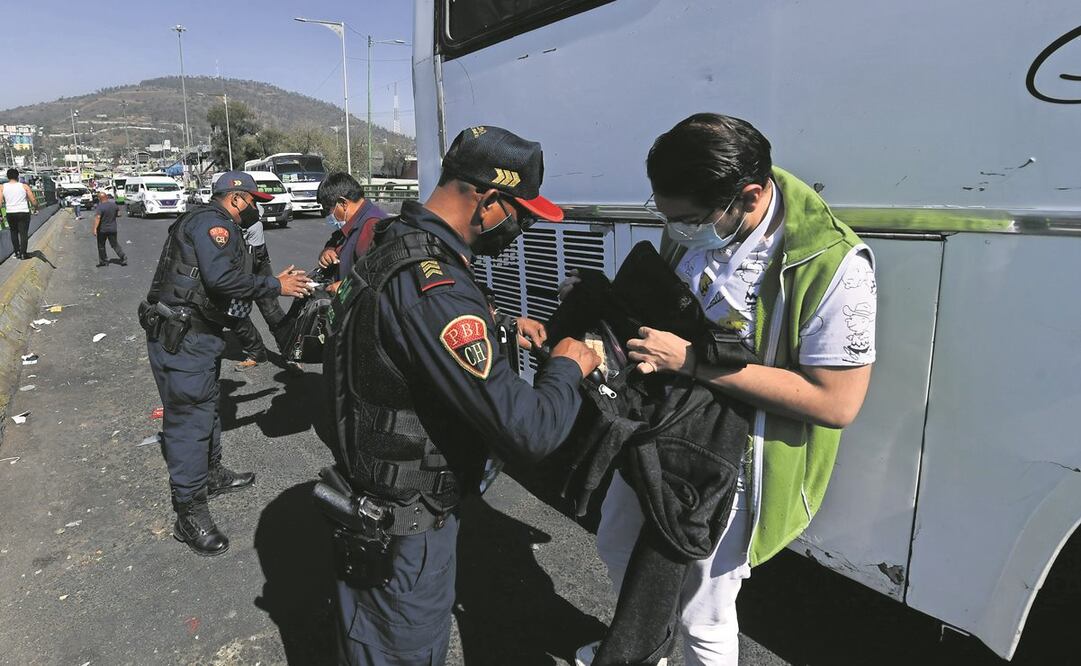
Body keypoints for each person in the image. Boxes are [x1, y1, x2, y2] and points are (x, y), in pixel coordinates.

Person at [566, 113, 877, 666]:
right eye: (668, 218)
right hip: (660, 430)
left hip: (732, 458)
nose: (678, 231)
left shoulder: (833, 263)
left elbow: (836, 401)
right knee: (616, 545)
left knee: (703, 610)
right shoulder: (699, 221)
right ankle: (648, 652)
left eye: (688, 220)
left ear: (749, 195)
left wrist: (692, 363)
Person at [324, 125, 601, 665]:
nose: (520, 230)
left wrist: (498, 324)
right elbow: (531, 430)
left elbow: (415, 339)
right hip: (404, 528)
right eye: (520, 216)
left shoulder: (396, 241)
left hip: (382, 505)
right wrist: (568, 366)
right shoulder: (438, 289)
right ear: (490, 200)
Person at [139, 171, 312, 556]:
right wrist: (275, 286)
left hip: (197, 336)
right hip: (185, 339)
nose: (256, 211)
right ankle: (189, 513)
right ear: (235, 198)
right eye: (253, 202)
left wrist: (269, 280)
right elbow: (221, 281)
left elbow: (221, 277)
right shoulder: (215, 226)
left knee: (209, 406)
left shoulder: (205, 221)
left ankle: (212, 473)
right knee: (188, 423)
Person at [315, 172, 389, 294]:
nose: (328, 215)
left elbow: (379, 276)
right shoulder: (354, 223)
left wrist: (346, 287)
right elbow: (338, 239)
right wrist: (328, 250)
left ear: (343, 203)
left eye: (328, 209)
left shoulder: (372, 226)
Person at [231, 217, 289, 370]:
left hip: (257, 263)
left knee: (272, 312)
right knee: (236, 314)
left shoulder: (251, 216)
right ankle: (256, 352)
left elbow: (254, 259)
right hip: (235, 266)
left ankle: (290, 355)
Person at [1, 168, 38, 259]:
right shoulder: (24, 186)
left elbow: (0, 201)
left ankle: (17, 252)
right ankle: (23, 254)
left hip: (10, 213)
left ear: (7, 176)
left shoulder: (2, 187)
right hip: (23, 212)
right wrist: (36, 207)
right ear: (18, 176)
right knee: (23, 233)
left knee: (13, 232)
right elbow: (33, 200)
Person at [92, 192, 126, 267]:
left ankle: (104, 261)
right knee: (114, 244)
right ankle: (123, 256)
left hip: (102, 230)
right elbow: (119, 214)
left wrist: (94, 229)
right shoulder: (113, 205)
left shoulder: (100, 207)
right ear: (106, 197)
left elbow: (98, 218)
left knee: (101, 245)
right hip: (112, 228)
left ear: (100, 199)